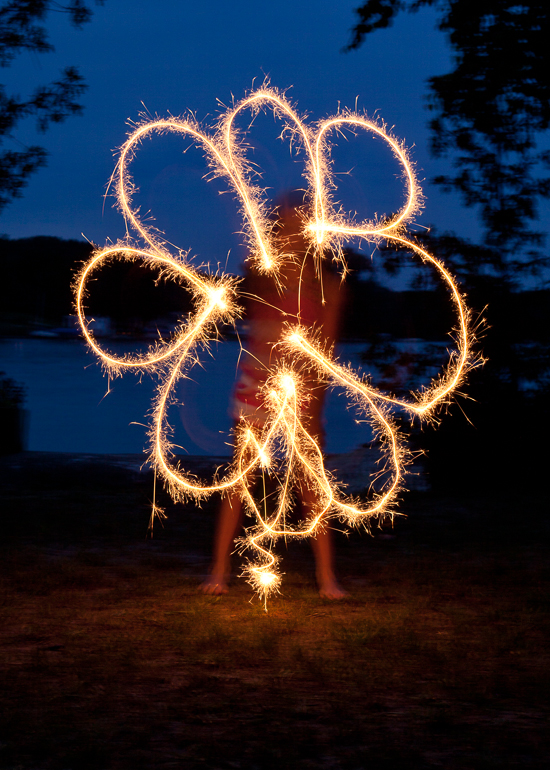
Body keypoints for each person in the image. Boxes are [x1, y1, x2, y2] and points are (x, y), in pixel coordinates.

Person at [201, 194, 348, 598]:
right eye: (282, 227)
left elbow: (326, 351)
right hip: (255, 387)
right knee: (241, 479)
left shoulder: (328, 287)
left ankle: (326, 578)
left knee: (309, 484)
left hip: (301, 391)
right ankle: (219, 570)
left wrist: (315, 403)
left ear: (311, 233)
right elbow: (257, 332)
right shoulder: (260, 278)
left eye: (297, 226)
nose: (290, 235)